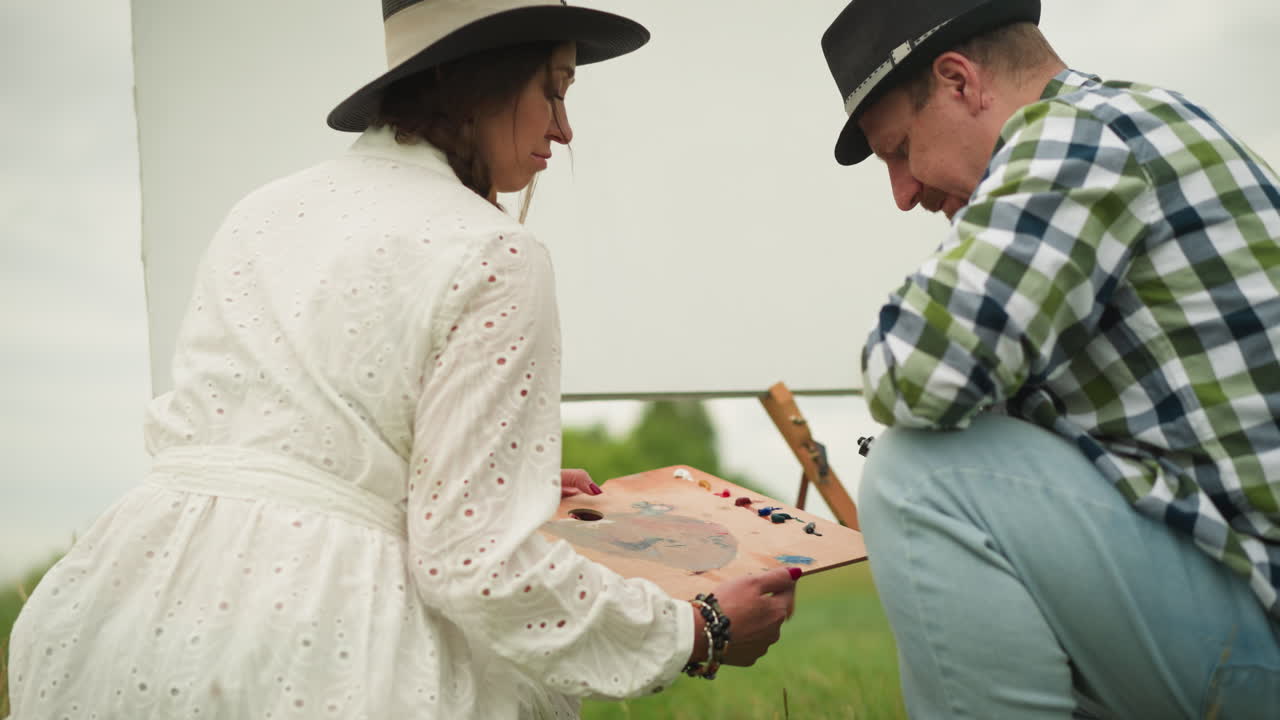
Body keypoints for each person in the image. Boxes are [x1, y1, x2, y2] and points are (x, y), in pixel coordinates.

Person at [7, 2, 799, 717]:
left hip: (129, 612)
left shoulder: (263, 208)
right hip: (321, 652)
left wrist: (462, 474)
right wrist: (696, 629)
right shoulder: (498, 251)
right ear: (483, 80)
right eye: (554, 90)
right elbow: (473, 560)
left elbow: (303, 437)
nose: (565, 130)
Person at [820, 0, 1280, 717]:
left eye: (901, 150)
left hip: (1258, 615)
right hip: (1246, 593)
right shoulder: (1147, 118)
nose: (904, 194)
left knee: (921, 476)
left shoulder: (1076, 132)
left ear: (960, 82)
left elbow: (912, 368)